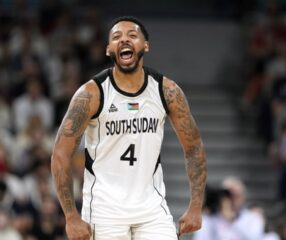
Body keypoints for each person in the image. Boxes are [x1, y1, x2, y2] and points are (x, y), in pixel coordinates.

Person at [51, 16, 207, 240]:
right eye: (116, 37)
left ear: (146, 45)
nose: (124, 40)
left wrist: (195, 205)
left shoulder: (167, 91)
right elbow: (60, 153)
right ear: (108, 49)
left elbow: (193, 147)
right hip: (104, 210)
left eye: (132, 35)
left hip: (151, 208)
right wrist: (70, 216)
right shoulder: (91, 94)